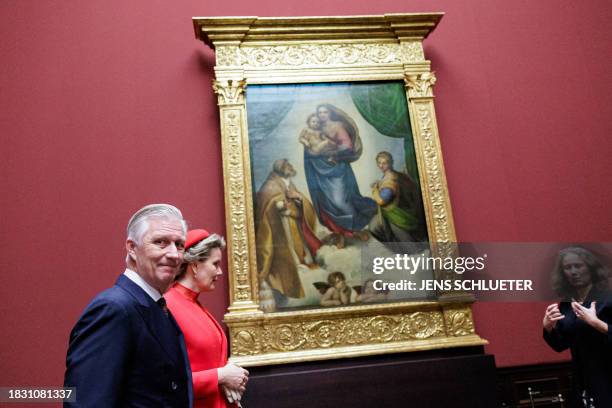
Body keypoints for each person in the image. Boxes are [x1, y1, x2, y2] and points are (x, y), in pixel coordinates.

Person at [64, 204, 193, 407]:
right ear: (132, 248)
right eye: (160, 242)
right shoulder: (113, 309)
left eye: (179, 245)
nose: (174, 254)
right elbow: (87, 401)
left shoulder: (154, 304)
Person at [165, 229, 249, 408]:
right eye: (215, 264)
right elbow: (167, 382)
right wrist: (222, 376)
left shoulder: (194, 304)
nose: (219, 272)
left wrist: (230, 377)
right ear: (194, 266)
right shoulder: (169, 306)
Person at [542, 247, 612, 406]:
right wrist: (549, 327)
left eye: (578, 266)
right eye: (568, 268)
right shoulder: (567, 304)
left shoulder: (608, 298)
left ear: (590, 267)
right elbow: (560, 345)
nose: (573, 271)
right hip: (583, 377)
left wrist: (596, 323)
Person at [303, 104, 377, 249]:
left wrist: (333, 153)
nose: (322, 115)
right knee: (326, 203)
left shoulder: (337, 126)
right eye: (319, 113)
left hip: (336, 168)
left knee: (341, 201)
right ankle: (341, 234)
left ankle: (355, 230)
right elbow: (308, 146)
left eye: (325, 112)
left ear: (330, 113)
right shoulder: (316, 129)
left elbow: (347, 146)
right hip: (319, 170)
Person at [255, 159, 321, 302]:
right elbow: (266, 201)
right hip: (279, 229)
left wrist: (298, 199)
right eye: (288, 166)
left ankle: (300, 262)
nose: (291, 168)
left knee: (298, 248)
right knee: (287, 251)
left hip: (292, 224)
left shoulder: (289, 183)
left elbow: (300, 202)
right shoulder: (270, 185)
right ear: (281, 169)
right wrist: (279, 204)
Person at [369, 151, 426, 243]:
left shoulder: (390, 181)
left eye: (384, 163)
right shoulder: (395, 174)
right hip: (402, 210)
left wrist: (375, 190)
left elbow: (381, 201)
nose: (381, 166)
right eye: (379, 163)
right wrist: (379, 184)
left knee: (374, 228)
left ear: (390, 163)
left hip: (397, 215)